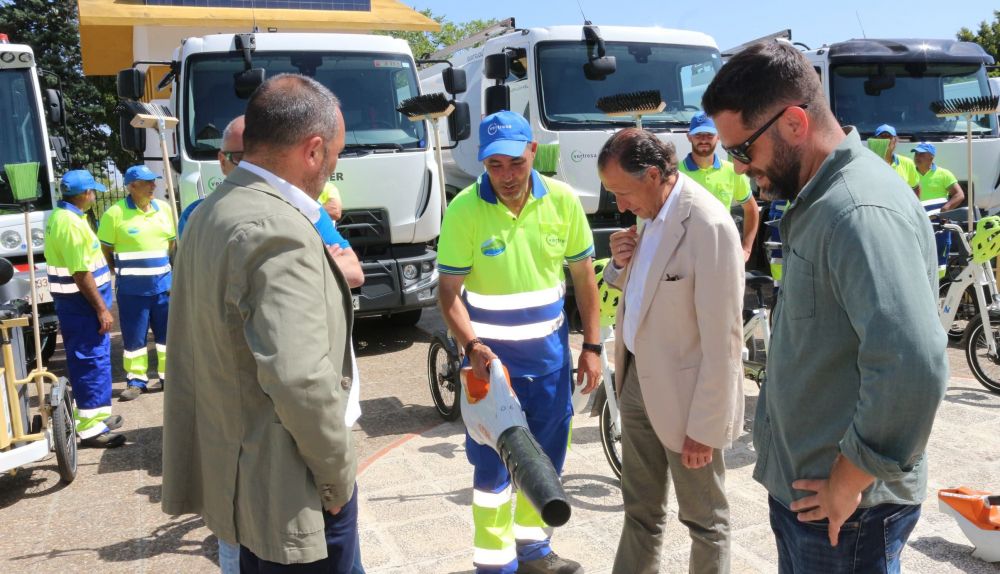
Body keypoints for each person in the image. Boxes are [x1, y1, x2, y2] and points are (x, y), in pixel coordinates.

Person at [703, 41, 948, 572]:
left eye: (743, 151)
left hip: (848, 513)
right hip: (817, 500)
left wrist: (850, 478)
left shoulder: (856, 209)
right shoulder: (819, 198)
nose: (741, 169)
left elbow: (912, 364)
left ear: (793, 123)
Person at [163, 74, 359, 573]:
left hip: (238, 479)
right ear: (313, 151)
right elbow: (300, 379)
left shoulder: (211, 213)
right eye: (334, 155)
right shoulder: (279, 229)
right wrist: (337, 478)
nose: (333, 169)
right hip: (291, 489)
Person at [437, 110, 601, 574]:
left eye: (515, 162)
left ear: (533, 152)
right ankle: (493, 565)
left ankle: (533, 551)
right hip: (493, 374)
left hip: (550, 367)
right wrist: (472, 347)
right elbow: (447, 294)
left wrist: (591, 346)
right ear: (483, 165)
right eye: (495, 166)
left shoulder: (564, 201)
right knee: (492, 474)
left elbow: (585, 280)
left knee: (546, 465)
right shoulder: (464, 208)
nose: (506, 176)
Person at [598, 129, 745, 574]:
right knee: (639, 510)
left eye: (622, 192)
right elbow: (645, 298)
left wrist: (705, 426)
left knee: (705, 521)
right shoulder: (650, 213)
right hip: (637, 381)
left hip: (687, 400)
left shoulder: (708, 224)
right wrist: (619, 266)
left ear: (655, 175)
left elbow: (724, 339)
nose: (620, 205)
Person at [44, 170, 126, 448]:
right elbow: (81, 273)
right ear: (84, 194)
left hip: (76, 305)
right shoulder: (70, 223)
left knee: (94, 359)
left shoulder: (64, 217)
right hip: (81, 305)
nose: (94, 196)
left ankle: (95, 417)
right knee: (90, 361)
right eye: (93, 191)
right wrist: (102, 309)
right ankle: (90, 429)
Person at [98, 165, 175, 401]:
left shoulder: (163, 209)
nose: (154, 186)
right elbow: (105, 248)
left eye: (154, 181)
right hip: (132, 291)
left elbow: (172, 244)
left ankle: (168, 377)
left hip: (164, 288)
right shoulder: (115, 213)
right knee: (134, 338)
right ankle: (136, 381)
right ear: (132, 186)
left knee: (167, 337)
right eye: (147, 182)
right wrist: (118, 272)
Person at [678, 112, 760, 261]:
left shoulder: (732, 171)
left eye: (709, 135)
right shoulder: (675, 174)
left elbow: (751, 208)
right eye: (698, 135)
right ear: (689, 137)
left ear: (719, 136)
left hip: (723, 254)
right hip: (685, 256)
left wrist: (746, 249)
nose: (704, 140)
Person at [177, 116, 244, 237]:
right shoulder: (194, 215)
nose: (252, 167)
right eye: (240, 158)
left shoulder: (285, 208)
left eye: (264, 159)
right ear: (223, 162)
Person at [912, 142, 965, 211]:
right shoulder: (909, 173)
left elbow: (959, 195)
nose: (917, 157)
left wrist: (946, 208)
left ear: (931, 157)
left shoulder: (944, 174)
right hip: (915, 217)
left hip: (937, 218)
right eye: (916, 154)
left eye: (921, 154)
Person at [872, 124, 921, 196]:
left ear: (895, 141)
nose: (886, 140)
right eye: (882, 137)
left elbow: (915, 188)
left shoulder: (907, 163)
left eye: (889, 137)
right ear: (875, 141)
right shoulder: (867, 162)